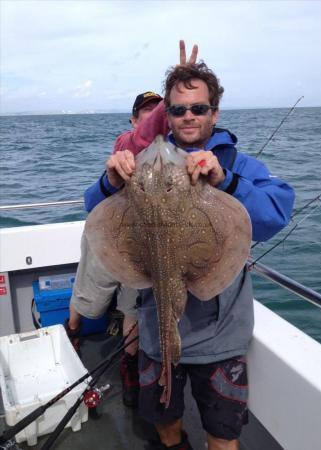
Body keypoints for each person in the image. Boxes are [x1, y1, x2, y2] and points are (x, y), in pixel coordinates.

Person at [84, 62, 295, 450]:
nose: (188, 116)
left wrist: (225, 181)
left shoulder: (236, 165)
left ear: (214, 112)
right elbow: (94, 212)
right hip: (154, 327)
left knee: (222, 436)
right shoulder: (142, 163)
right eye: (178, 109)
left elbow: (277, 211)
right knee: (166, 427)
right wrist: (111, 181)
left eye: (198, 108)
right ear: (168, 113)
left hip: (220, 335)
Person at [68, 41, 198, 410]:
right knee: (88, 295)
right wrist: (173, 92)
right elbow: (144, 136)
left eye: (156, 112)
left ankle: (128, 363)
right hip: (110, 236)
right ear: (132, 119)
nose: (150, 118)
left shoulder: (170, 150)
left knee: (132, 305)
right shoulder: (126, 144)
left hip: (149, 242)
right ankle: (73, 331)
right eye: (144, 112)